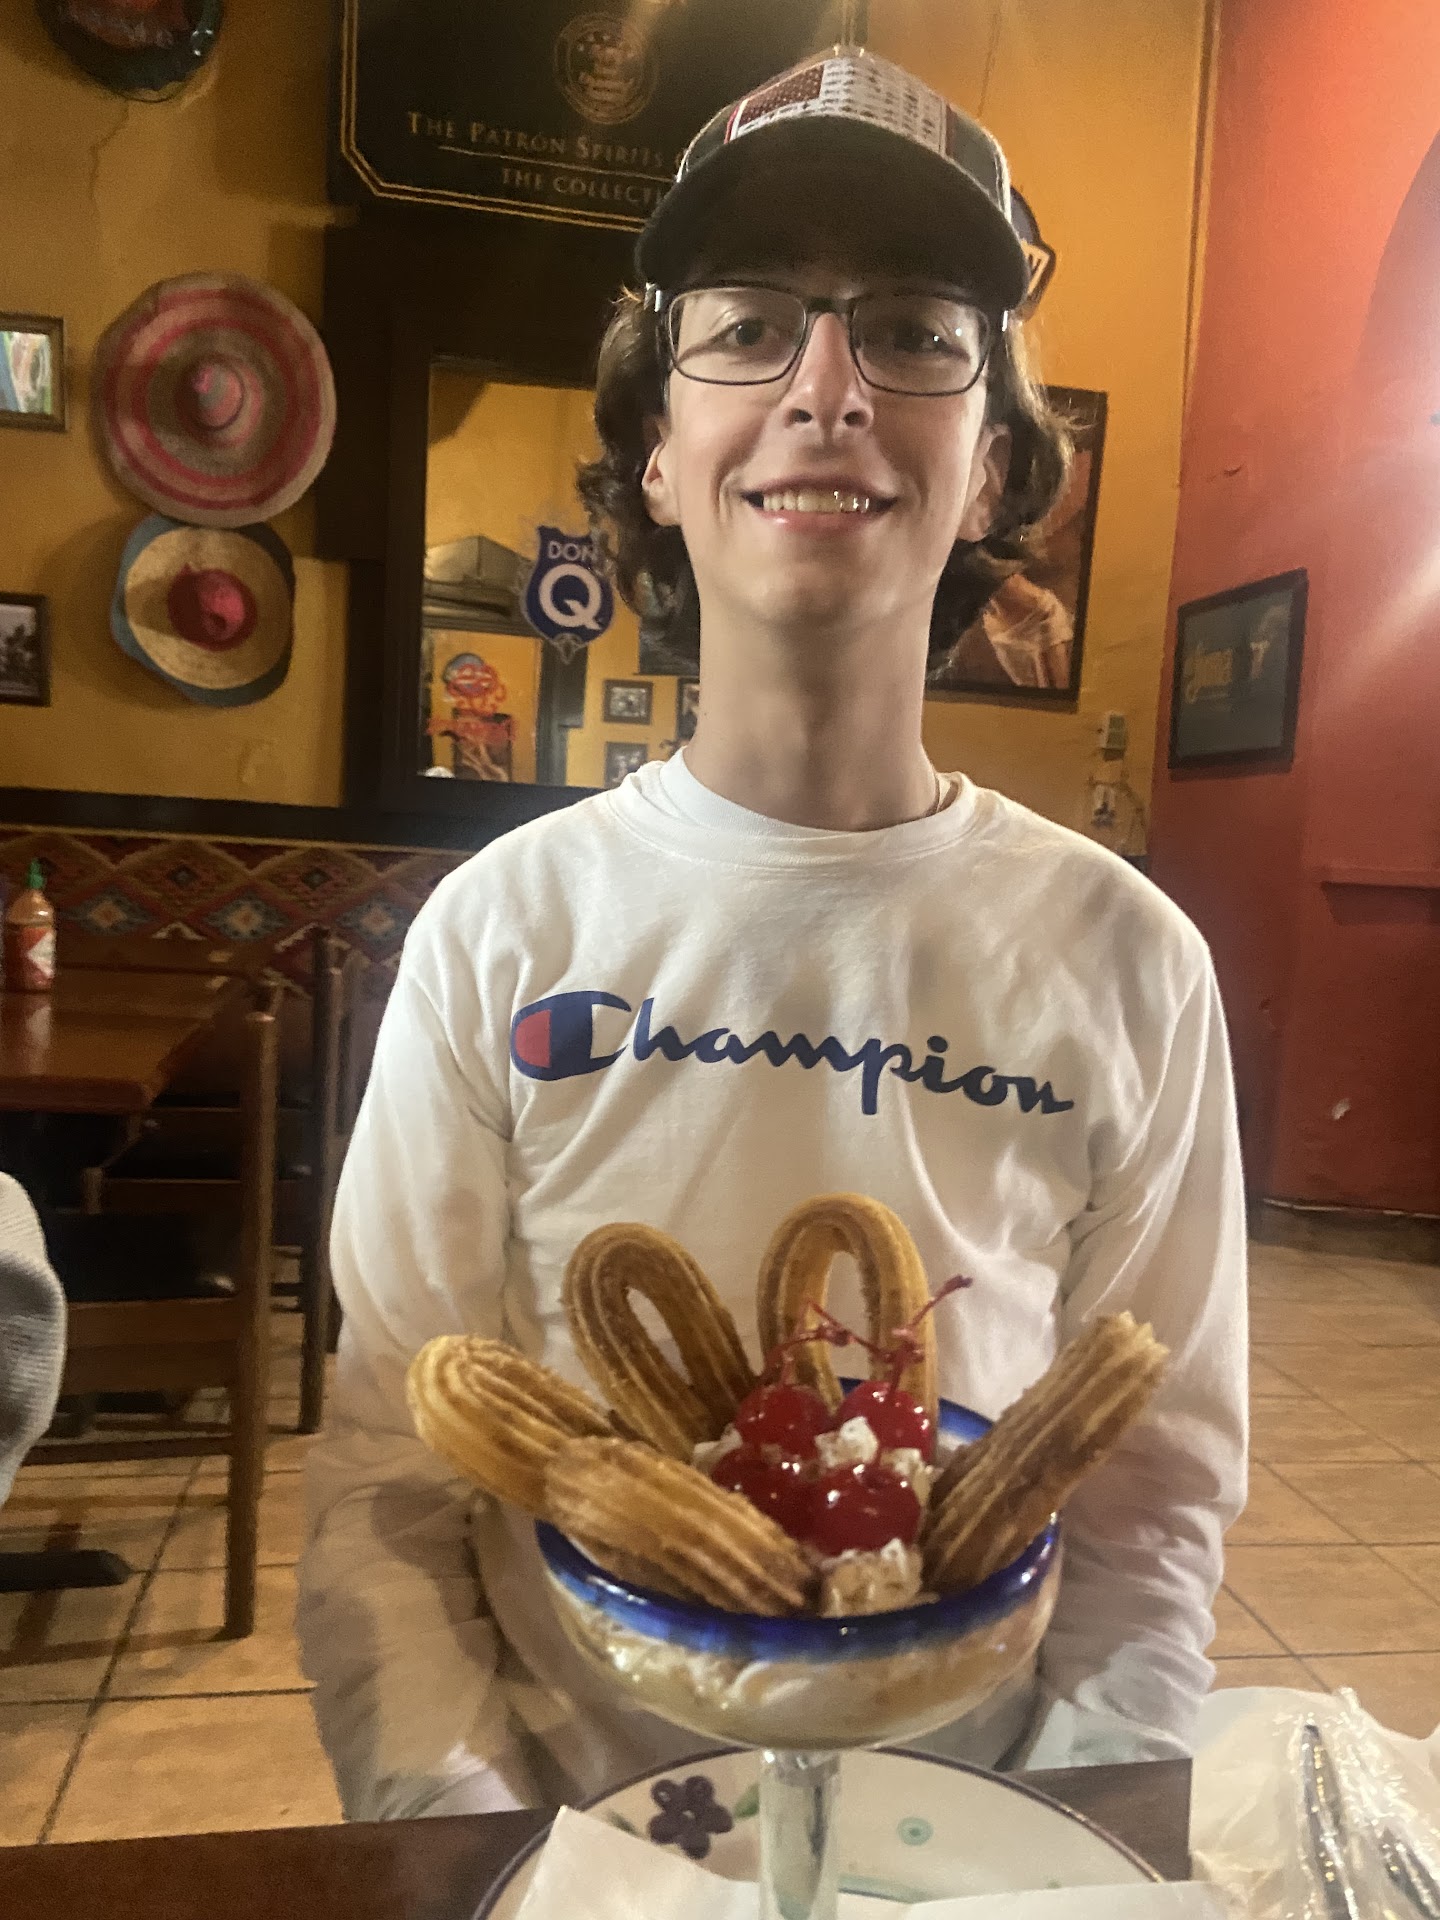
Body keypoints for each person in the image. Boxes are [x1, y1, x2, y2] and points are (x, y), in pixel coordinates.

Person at [299, 45, 1247, 1820]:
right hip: (576, 1838)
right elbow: (389, 1488)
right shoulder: (503, 930)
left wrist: (1071, 1847)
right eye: (746, 326)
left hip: (968, 1832)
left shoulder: (1128, 960)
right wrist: (475, 1845)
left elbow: (1152, 1506)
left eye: (913, 330)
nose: (826, 389)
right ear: (657, 454)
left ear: (993, 470)